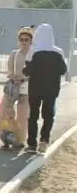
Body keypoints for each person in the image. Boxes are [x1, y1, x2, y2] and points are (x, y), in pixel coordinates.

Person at [23, 23, 68, 154]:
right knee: (48, 115)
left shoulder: (33, 50)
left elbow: (28, 70)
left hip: (35, 88)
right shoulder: (58, 52)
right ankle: (44, 140)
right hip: (52, 89)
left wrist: (25, 70)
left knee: (33, 115)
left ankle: (31, 143)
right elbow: (63, 70)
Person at [0, 27, 33, 146]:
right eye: (22, 39)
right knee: (4, 111)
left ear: (31, 41)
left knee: (22, 116)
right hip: (12, 88)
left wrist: (24, 79)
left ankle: (20, 140)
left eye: (26, 39)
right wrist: (14, 78)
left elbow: (36, 73)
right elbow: (9, 70)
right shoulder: (14, 53)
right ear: (18, 40)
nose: (24, 42)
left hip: (26, 89)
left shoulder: (34, 55)